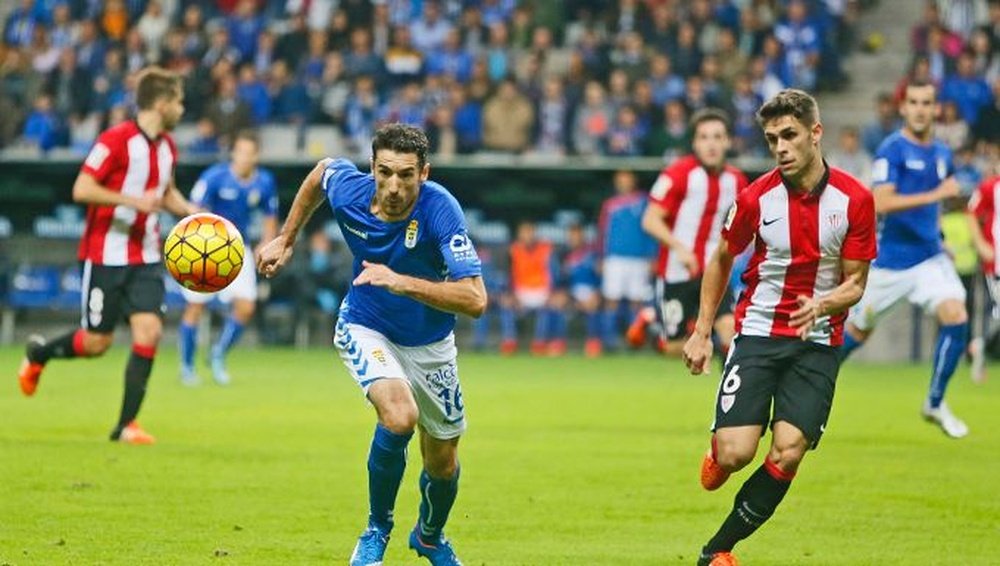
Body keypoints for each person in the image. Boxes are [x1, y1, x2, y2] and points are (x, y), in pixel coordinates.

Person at [255, 123, 486, 566]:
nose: (393, 186)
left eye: (405, 175)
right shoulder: (351, 191)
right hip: (365, 324)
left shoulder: (441, 211)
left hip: (431, 344)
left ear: (425, 173)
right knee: (399, 417)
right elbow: (321, 172)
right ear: (372, 168)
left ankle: (431, 536)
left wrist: (401, 282)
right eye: (384, 172)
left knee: (443, 464)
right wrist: (287, 238)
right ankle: (376, 528)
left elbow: (475, 299)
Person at [683, 89, 876, 566]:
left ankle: (717, 551)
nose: (781, 147)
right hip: (759, 335)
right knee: (735, 454)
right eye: (772, 140)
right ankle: (719, 452)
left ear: (815, 133)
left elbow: (856, 283)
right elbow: (722, 257)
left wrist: (825, 302)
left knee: (788, 451)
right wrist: (702, 330)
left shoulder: (855, 199)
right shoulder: (755, 197)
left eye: (789, 135)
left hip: (818, 343)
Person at [16, 66, 199, 444]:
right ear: (162, 103)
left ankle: (125, 426)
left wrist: (195, 214)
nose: (183, 109)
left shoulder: (168, 145)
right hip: (106, 254)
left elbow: (165, 192)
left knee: (149, 331)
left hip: (146, 255)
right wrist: (133, 201)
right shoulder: (115, 140)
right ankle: (39, 353)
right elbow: (82, 188)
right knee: (97, 342)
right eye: (179, 101)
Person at [840, 81, 971, 438]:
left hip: (929, 260)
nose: (919, 109)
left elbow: (933, 210)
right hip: (890, 264)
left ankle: (935, 401)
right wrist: (936, 194)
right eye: (913, 102)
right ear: (903, 108)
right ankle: (809, 381)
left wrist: (940, 237)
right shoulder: (891, 150)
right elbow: (881, 202)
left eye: (926, 102)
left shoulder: (942, 152)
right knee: (855, 333)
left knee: (956, 314)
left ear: (935, 108)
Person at [636, 108, 748, 358]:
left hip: (714, 269)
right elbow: (650, 220)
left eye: (718, 137)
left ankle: (729, 390)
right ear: (695, 143)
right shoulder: (677, 173)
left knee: (730, 333)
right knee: (675, 348)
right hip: (677, 270)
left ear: (728, 141)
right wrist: (679, 248)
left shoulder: (737, 180)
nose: (711, 144)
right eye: (704, 137)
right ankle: (653, 321)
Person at [177, 130, 278, 386]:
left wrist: (267, 244)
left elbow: (270, 219)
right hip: (207, 248)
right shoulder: (214, 177)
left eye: (249, 153)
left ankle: (218, 354)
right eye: (240, 151)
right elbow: (195, 209)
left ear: (256, 156)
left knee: (246, 307)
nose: (244, 157)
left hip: (238, 247)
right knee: (196, 307)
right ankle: (187, 367)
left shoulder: (264, 182)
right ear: (233, 153)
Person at [597, 169, 655, 351]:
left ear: (633, 181)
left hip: (638, 259)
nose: (623, 182)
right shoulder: (610, 205)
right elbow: (603, 233)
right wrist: (601, 257)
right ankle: (609, 340)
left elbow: (651, 229)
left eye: (627, 179)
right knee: (611, 299)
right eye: (620, 179)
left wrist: (653, 256)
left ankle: (634, 341)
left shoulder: (644, 201)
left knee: (636, 301)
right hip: (615, 258)